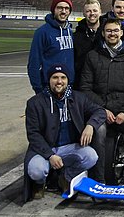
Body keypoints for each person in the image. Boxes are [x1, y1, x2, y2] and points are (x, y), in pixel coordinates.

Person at [24, 63, 106, 200]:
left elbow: (100, 111)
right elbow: (33, 134)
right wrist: (50, 155)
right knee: (36, 171)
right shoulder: (35, 103)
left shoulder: (77, 98)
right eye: (55, 77)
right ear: (49, 80)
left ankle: (65, 176)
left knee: (91, 156)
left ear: (68, 80)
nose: (59, 81)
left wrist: (91, 125)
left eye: (63, 77)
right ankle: (39, 183)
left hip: (69, 147)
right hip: (45, 149)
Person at [79, 17, 124, 185]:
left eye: (115, 31)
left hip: (122, 111)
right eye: (108, 31)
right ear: (103, 33)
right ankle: (99, 180)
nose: (112, 34)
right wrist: (102, 109)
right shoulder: (93, 56)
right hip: (100, 110)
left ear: (121, 33)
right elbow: (85, 88)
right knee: (98, 134)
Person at [27, 0, 75, 94]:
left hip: (68, 86)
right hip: (49, 87)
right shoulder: (42, 32)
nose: (63, 11)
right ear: (53, 10)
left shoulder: (69, 31)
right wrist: (38, 89)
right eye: (60, 8)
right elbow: (33, 63)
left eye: (67, 8)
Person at [73, 0, 102, 88]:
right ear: (84, 13)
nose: (92, 13)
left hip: (103, 85)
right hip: (82, 85)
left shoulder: (109, 33)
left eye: (95, 10)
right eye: (88, 11)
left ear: (100, 12)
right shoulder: (76, 36)